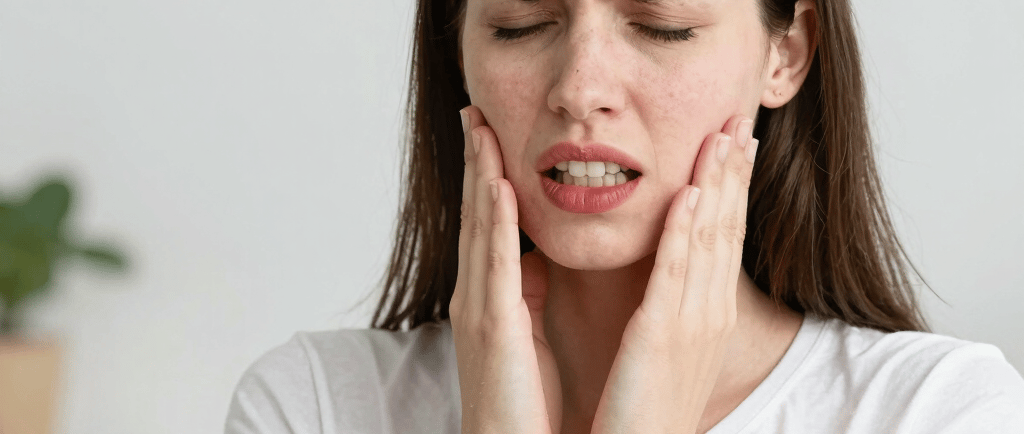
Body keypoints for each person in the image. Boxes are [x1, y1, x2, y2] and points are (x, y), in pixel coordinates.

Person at [225, 0, 1024, 432]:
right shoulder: (314, 408)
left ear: (785, 54)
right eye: (521, 24)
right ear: (458, 49)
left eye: (661, 26)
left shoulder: (939, 414)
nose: (580, 87)